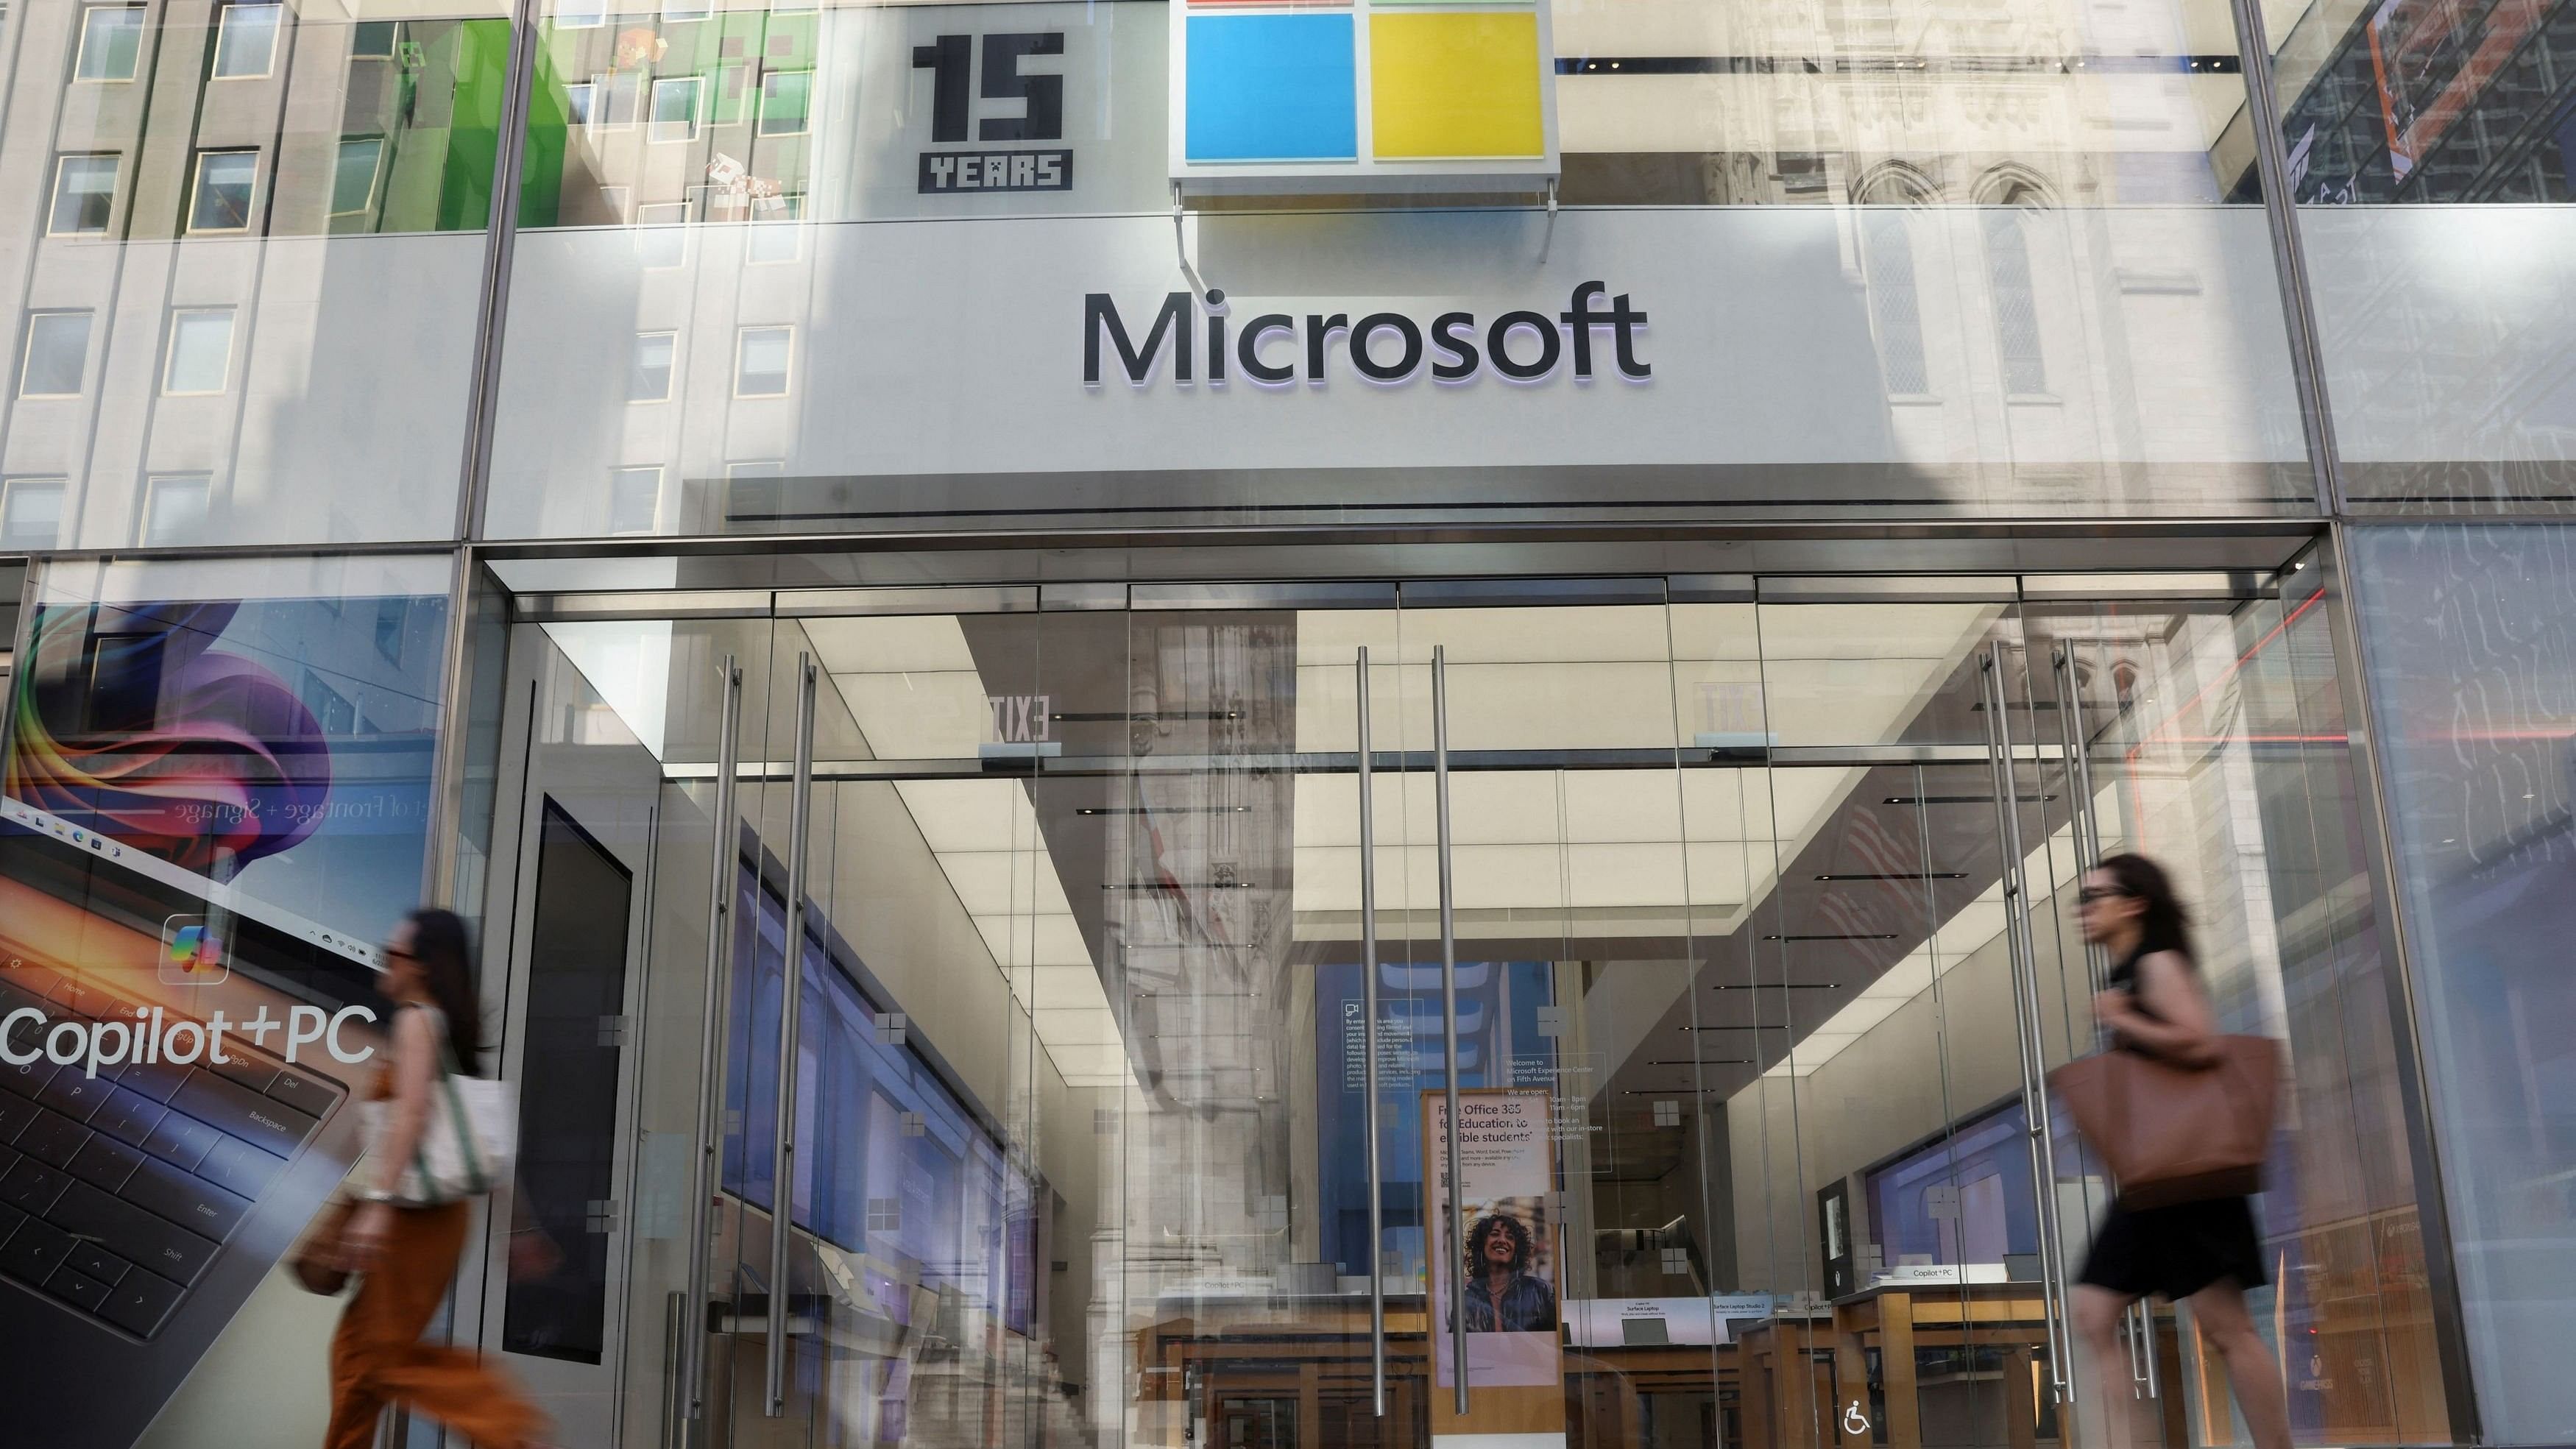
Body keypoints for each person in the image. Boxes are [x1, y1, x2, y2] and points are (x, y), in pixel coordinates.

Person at [2071, 854, 2288, 1449]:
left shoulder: (2157, 964)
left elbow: (2200, 1040)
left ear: (2134, 902)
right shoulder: (2125, 974)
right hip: (2157, 1178)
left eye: (2095, 897)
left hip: (2188, 1172)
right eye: (2081, 900)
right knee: (2094, 1312)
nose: (2084, 910)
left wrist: (2125, 1020)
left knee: (2227, 1328)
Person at [322, 909, 549, 1449]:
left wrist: (377, 1203)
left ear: (422, 966)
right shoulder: (439, 1026)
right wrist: (519, 1231)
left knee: (379, 1355)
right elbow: (479, 1144)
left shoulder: (417, 1020)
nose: (384, 960)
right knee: (358, 1355)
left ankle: (507, 1425)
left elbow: (413, 1115)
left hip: (413, 1217)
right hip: (431, 1217)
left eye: (393, 952)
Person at [1458, 1211, 1557, 1333]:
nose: (1502, 1240)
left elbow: (1558, 1343)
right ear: (1481, 1245)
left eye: (1510, 1237)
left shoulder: (1541, 1292)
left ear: (1516, 1250)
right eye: (1495, 1234)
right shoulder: (1466, 1301)